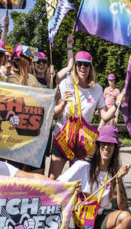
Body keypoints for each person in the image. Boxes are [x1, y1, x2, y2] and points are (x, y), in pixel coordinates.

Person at [58, 125, 131, 229]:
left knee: (126, 218)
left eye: (110, 144)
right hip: (76, 218)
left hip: (97, 220)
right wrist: (71, 190)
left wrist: (118, 180)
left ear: (115, 148)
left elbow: (123, 206)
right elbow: (57, 185)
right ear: (98, 145)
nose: (106, 147)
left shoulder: (114, 172)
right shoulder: (82, 166)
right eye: (103, 143)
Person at [49, 51, 117, 179]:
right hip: (62, 137)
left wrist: (117, 104)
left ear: (90, 67)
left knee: (76, 183)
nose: (82, 67)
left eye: (86, 64)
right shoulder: (66, 84)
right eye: (79, 64)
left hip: (81, 141)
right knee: (53, 179)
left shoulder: (97, 89)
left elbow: (105, 116)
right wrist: (63, 102)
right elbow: (55, 115)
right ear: (75, 66)